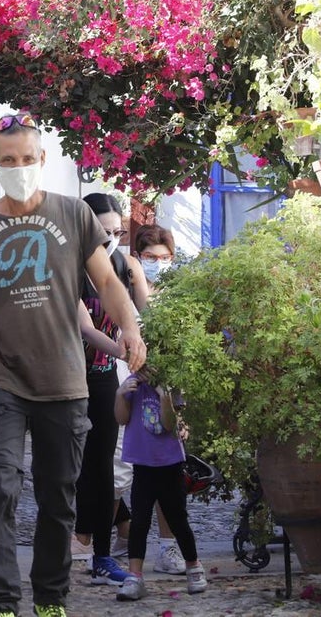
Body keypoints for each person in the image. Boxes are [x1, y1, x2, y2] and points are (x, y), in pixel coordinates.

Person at [0, 112, 148, 617]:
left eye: (27, 158)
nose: (19, 167)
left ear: (43, 159)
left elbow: (107, 282)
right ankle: (0, 601)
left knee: (58, 498)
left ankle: (51, 597)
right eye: (8, 160)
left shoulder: (73, 214)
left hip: (64, 382)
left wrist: (131, 328)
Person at [72, 193, 147, 587]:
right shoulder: (68, 267)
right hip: (67, 377)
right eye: (103, 232)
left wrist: (131, 341)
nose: (111, 240)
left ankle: (100, 554)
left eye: (117, 232)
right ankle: (71, 539)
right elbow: (86, 328)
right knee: (70, 465)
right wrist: (123, 349)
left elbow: (131, 316)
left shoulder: (118, 265)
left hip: (103, 377)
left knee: (102, 467)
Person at [113, 367, 207, 602]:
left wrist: (163, 394)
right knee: (139, 521)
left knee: (178, 519)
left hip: (169, 464)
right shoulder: (133, 384)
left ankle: (193, 565)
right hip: (142, 465)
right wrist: (120, 394)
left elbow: (168, 423)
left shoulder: (172, 385)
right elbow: (121, 418)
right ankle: (135, 576)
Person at [129, 223, 187, 575]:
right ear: (138, 257)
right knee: (129, 472)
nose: (157, 263)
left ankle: (169, 547)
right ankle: (124, 538)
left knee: (168, 472)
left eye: (164, 258)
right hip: (133, 386)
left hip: (169, 387)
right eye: (150, 257)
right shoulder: (128, 289)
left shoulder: (179, 293)